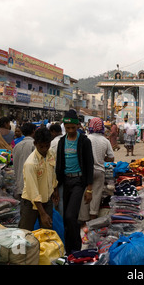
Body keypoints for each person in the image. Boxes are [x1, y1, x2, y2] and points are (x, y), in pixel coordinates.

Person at [56, 109, 94, 254]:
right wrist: (55, 187)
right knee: (65, 218)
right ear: (64, 127)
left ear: (78, 126)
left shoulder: (84, 141)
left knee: (71, 215)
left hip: (79, 181)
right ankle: (68, 248)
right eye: (67, 128)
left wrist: (89, 188)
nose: (70, 131)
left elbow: (89, 164)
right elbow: (59, 164)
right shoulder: (61, 141)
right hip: (65, 181)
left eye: (73, 128)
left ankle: (76, 248)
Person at [18, 128, 59, 231]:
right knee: (25, 233)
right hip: (30, 203)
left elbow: (52, 173)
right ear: (35, 143)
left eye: (47, 145)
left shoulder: (51, 153)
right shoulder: (31, 163)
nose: (44, 149)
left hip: (47, 199)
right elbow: (33, 191)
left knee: (46, 232)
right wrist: (42, 213)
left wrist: (55, 189)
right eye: (41, 146)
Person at [78, 117, 114, 222]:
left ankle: (84, 221)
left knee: (85, 194)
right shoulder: (105, 141)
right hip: (99, 171)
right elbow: (111, 158)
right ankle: (93, 219)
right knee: (96, 195)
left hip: (85, 171)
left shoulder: (86, 138)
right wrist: (102, 158)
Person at [12, 123, 37, 200]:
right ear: (33, 131)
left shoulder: (17, 146)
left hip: (19, 183)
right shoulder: (34, 145)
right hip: (31, 185)